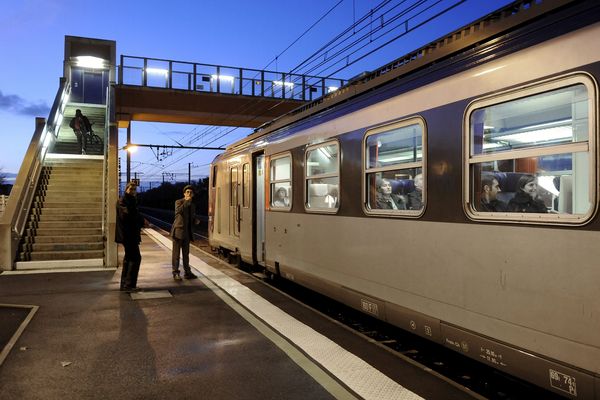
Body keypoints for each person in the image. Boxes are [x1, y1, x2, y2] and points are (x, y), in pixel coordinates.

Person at [115, 181, 146, 291]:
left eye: (134, 189)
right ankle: (129, 285)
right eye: (131, 189)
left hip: (130, 234)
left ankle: (124, 285)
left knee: (128, 258)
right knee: (135, 257)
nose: (133, 191)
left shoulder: (129, 200)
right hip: (127, 235)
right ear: (126, 189)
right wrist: (141, 220)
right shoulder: (123, 201)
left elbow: (133, 214)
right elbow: (127, 215)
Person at [171, 185, 199, 280]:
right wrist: (187, 201)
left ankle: (187, 272)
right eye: (187, 192)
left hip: (187, 232)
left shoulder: (193, 205)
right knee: (176, 254)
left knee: (186, 255)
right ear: (184, 193)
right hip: (178, 232)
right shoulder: (179, 202)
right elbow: (178, 211)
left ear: (193, 194)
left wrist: (195, 220)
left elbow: (191, 217)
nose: (189, 193)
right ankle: (176, 273)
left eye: (191, 192)